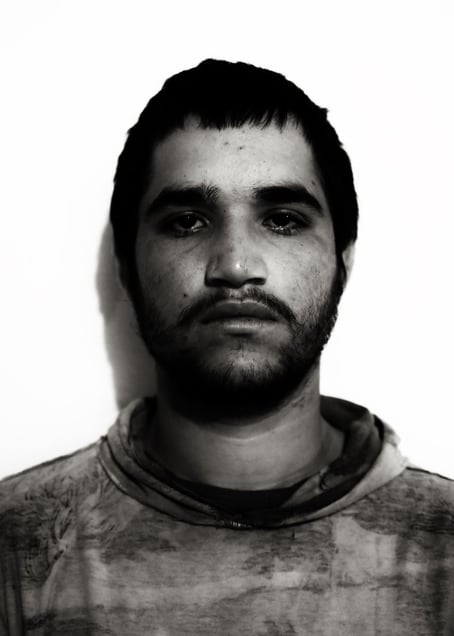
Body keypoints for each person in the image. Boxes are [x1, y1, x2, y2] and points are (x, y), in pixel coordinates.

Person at [1, 59, 453, 636]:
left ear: (343, 259)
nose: (236, 266)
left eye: (282, 219)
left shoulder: (444, 548)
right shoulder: (16, 548)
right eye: (187, 221)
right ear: (126, 267)